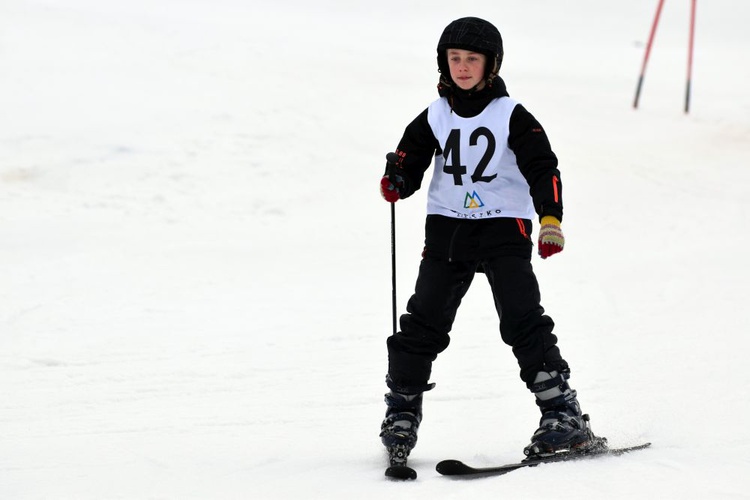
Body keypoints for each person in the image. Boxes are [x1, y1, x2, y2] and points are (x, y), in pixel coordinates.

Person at [378, 17, 600, 465]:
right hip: (448, 231)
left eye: (471, 59)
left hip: (503, 229)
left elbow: (543, 168)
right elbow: (410, 157)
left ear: (491, 65)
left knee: (522, 320)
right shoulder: (435, 114)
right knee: (422, 323)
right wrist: (398, 179)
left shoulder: (511, 115)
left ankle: (562, 413)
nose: (461, 68)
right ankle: (401, 411)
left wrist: (550, 220)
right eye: (454, 59)